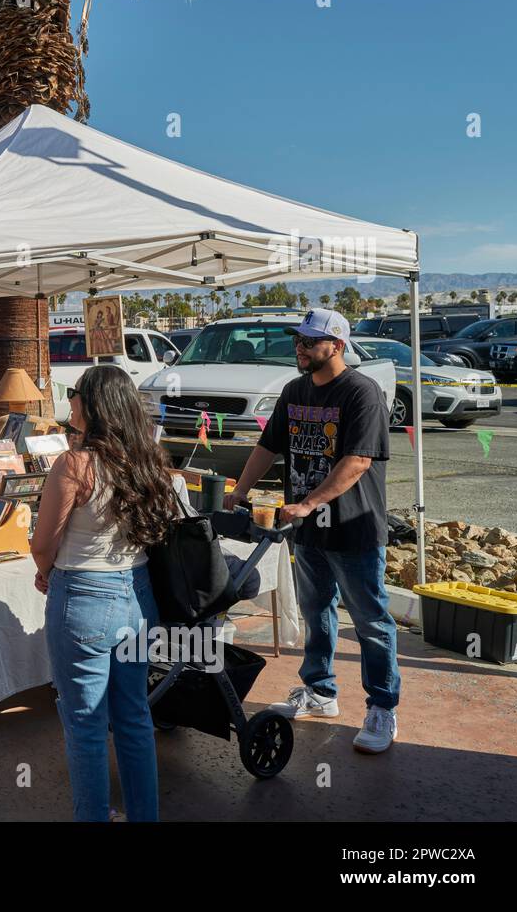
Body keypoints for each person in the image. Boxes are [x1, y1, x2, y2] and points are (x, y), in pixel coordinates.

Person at [225, 308, 399, 754]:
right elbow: (268, 444)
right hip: (308, 531)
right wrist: (239, 489)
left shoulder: (362, 393)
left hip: (352, 529)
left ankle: (382, 707)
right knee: (316, 612)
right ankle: (320, 693)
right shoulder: (294, 390)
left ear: (337, 346)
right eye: (296, 341)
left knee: (371, 622)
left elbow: (358, 461)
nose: (298, 349)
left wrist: (307, 502)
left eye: (308, 342)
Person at [31, 365, 175, 822]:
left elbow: (42, 544)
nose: (69, 400)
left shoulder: (75, 464)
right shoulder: (150, 459)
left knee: (86, 725)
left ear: (93, 405)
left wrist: (45, 569)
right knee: (133, 717)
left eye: (75, 393)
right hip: (137, 594)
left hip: (84, 597)